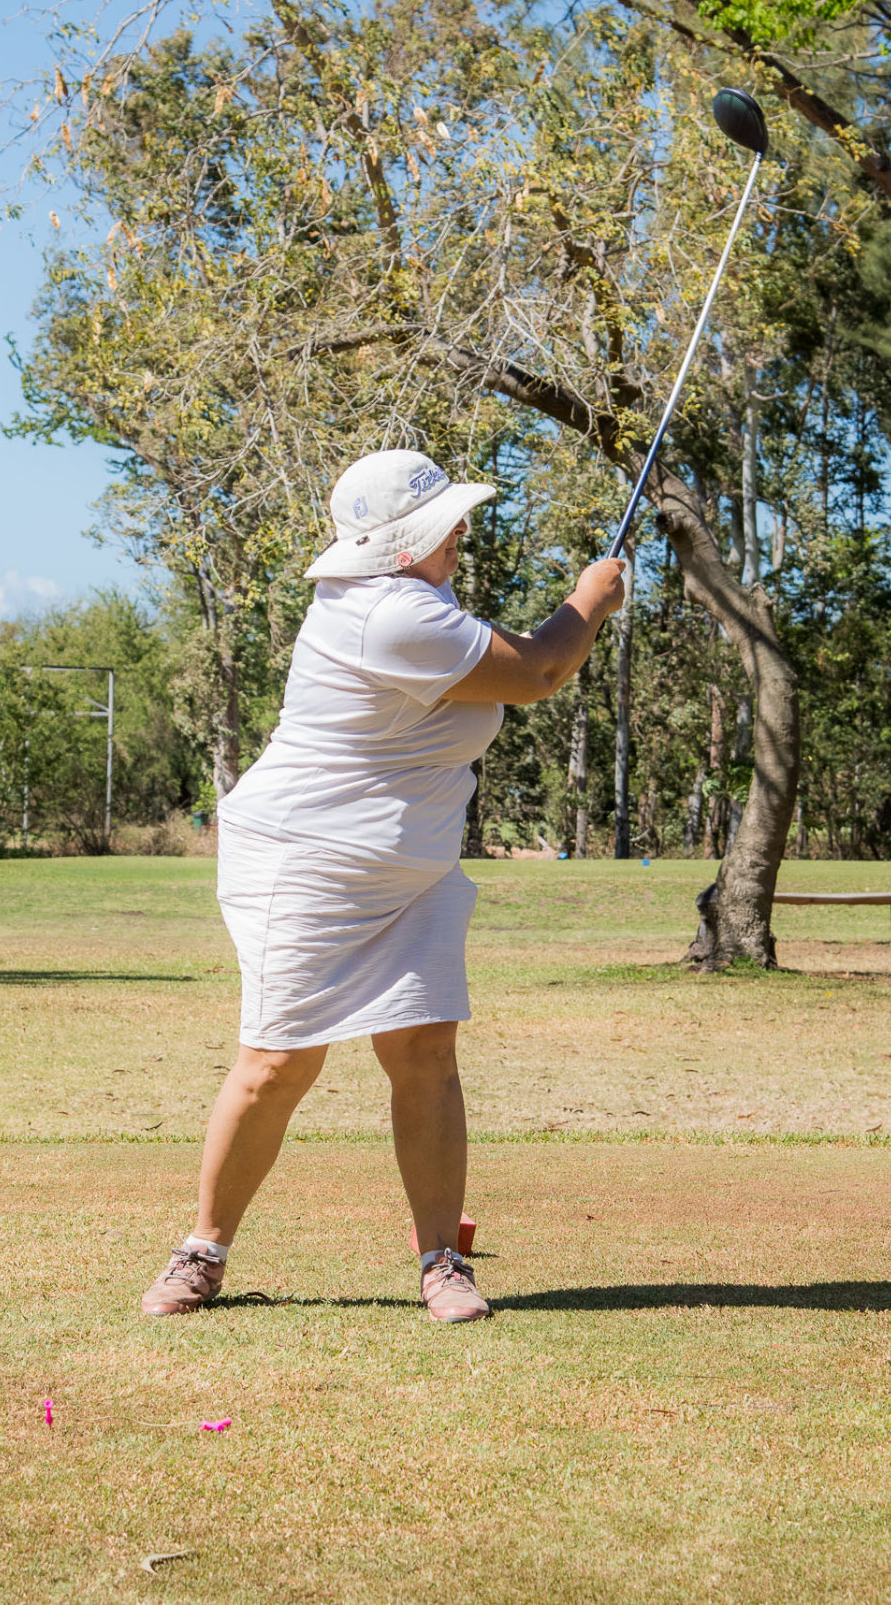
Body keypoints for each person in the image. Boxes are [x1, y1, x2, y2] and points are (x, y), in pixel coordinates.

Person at [141, 449, 627, 1323]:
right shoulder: (386, 614)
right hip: (306, 862)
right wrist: (591, 597)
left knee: (426, 1051)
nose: (463, 530)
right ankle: (202, 1252)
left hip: (415, 870)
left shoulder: (420, 596)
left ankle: (443, 1262)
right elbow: (539, 672)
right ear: (402, 544)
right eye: (446, 522)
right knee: (279, 1062)